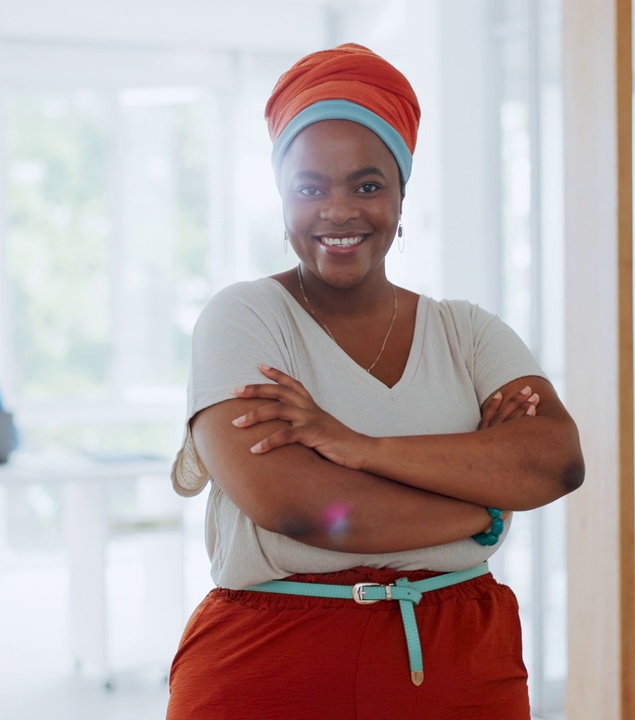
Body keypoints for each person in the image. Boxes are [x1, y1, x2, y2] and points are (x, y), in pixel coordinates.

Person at [167, 45, 584, 719]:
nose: (339, 211)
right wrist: (486, 508)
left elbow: (556, 463)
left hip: (457, 662)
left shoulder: (466, 332)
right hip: (272, 664)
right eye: (310, 187)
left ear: (400, 196)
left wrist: (356, 447)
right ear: (280, 196)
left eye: (367, 185)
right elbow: (296, 505)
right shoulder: (244, 318)